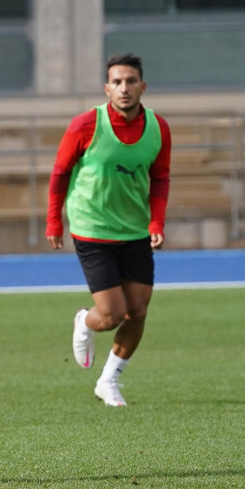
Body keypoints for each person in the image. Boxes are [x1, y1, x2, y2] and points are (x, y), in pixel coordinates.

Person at [46, 53, 172, 406]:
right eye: (117, 82)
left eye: (131, 81)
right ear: (107, 88)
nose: (124, 88)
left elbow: (160, 178)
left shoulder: (158, 128)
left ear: (142, 86)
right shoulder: (85, 125)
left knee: (139, 311)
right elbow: (60, 173)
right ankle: (85, 320)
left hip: (134, 231)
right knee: (112, 314)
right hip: (92, 230)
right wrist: (54, 220)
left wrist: (156, 222)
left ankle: (108, 380)